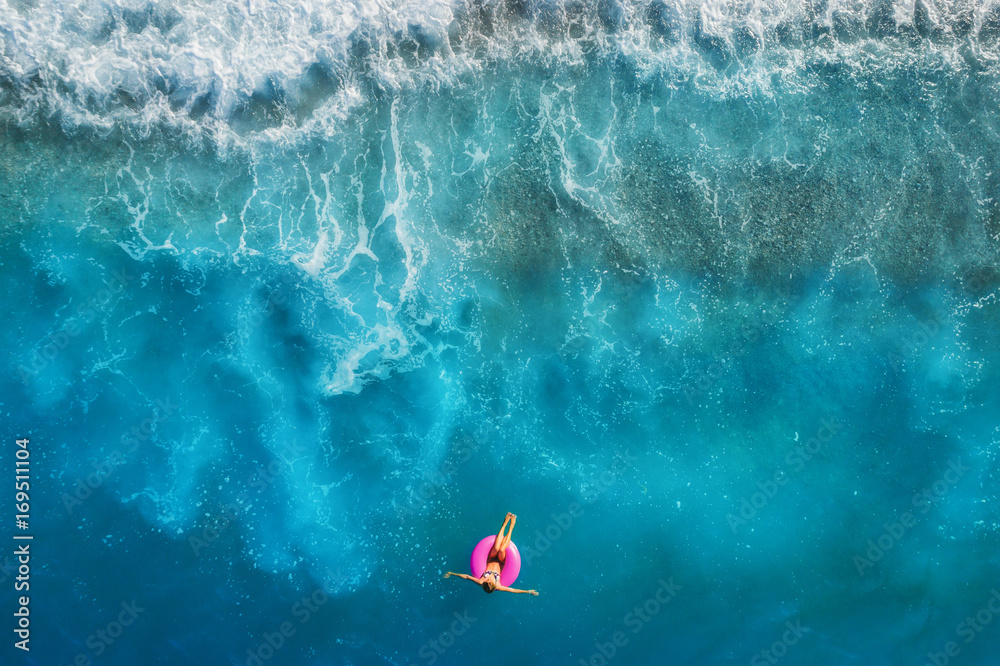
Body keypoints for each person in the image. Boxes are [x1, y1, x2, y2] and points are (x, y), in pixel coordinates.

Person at [443, 513, 539, 595]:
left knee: (497, 547)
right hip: (501, 561)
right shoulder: (498, 585)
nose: (487, 580)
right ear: (493, 585)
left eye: (487, 582)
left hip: (491, 558)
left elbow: (467, 576)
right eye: (489, 582)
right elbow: (512, 590)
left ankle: (504, 523)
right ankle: (511, 527)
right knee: (501, 550)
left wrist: (452, 573)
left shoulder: (481, 581)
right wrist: (529, 592)